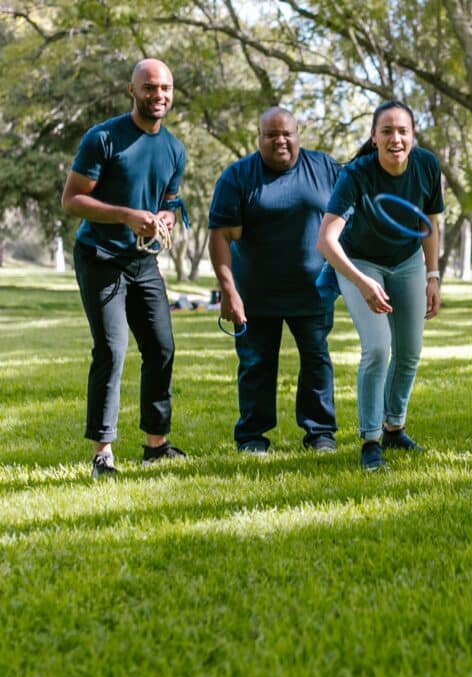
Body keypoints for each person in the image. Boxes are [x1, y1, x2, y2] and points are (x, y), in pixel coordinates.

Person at [61, 59, 187, 479]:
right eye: (149, 87)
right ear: (131, 90)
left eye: (165, 88)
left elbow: (169, 202)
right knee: (112, 350)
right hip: (100, 257)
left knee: (161, 348)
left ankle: (156, 445)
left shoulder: (174, 150)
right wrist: (126, 215)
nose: (159, 95)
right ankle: (103, 454)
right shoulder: (103, 138)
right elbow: (72, 200)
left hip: (142, 262)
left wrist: (166, 218)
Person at [316, 99, 443, 471]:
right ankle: (370, 441)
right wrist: (361, 282)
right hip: (360, 261)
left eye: (403, 131)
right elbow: (326, 240)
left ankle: (394, 428)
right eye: (386, 131)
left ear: (413, 136)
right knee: (376, 348)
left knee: (410, 350)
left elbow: (429, 223)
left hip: (407, 261)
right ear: (374, 137)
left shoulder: (427, 165)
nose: (395, 139)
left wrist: (433, 276)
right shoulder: (356, 174)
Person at [208, 107, 340, 454]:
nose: (280, 140)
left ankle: (320, 434)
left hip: (313, 292)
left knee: (316, 361)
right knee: (255, 365)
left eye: (286, 134)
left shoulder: (325, 168)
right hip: (255, 294)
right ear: (259, 138)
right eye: (271, 135)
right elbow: (220, 235)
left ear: (297, 135)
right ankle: (252, 437)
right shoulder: (238, 176)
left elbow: (350, 214)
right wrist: (228, 291)